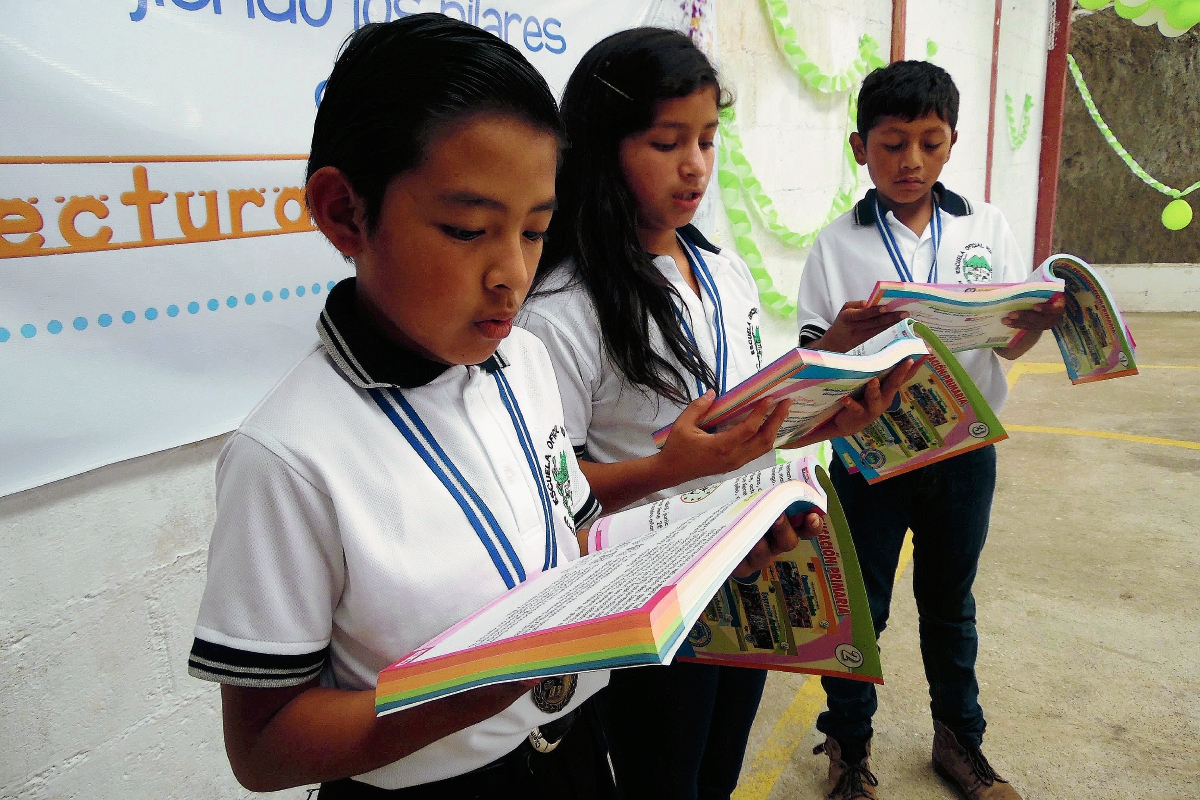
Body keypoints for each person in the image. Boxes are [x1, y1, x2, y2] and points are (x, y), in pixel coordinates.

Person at [187, 16, 621, 799]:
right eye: (466, 230)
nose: (512, 276)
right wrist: (479, 686)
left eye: (534, 231)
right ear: (344, 213)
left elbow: (575, 526)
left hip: (573, 747)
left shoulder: (522, 357)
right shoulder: (287, 457)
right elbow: (263, 749)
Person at [517, 28, 917, 800]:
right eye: (667, 142)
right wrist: (668, 470)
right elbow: (545, 494)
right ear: (601, 148)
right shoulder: (561, 309)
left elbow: (740, 413)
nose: (696, 163)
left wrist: (824, 386)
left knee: (718, 775)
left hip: (750, 568)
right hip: (650, 599)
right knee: (662, 780)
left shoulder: (718, 267)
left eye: (707, 138)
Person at [795, 60, 1065, 800]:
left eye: (928, 141)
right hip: (867, 457)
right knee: (860, 607)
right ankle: (848, 748)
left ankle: (961, 744)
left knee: (951, 604)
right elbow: (815, 362)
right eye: (891, 143)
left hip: (963, 452)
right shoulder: (834, 245)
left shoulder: (986, 228)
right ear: (861, 148)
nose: (909, 160)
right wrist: (846, 338)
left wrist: (1035, 324)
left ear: (951, 145)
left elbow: (1005, 343)